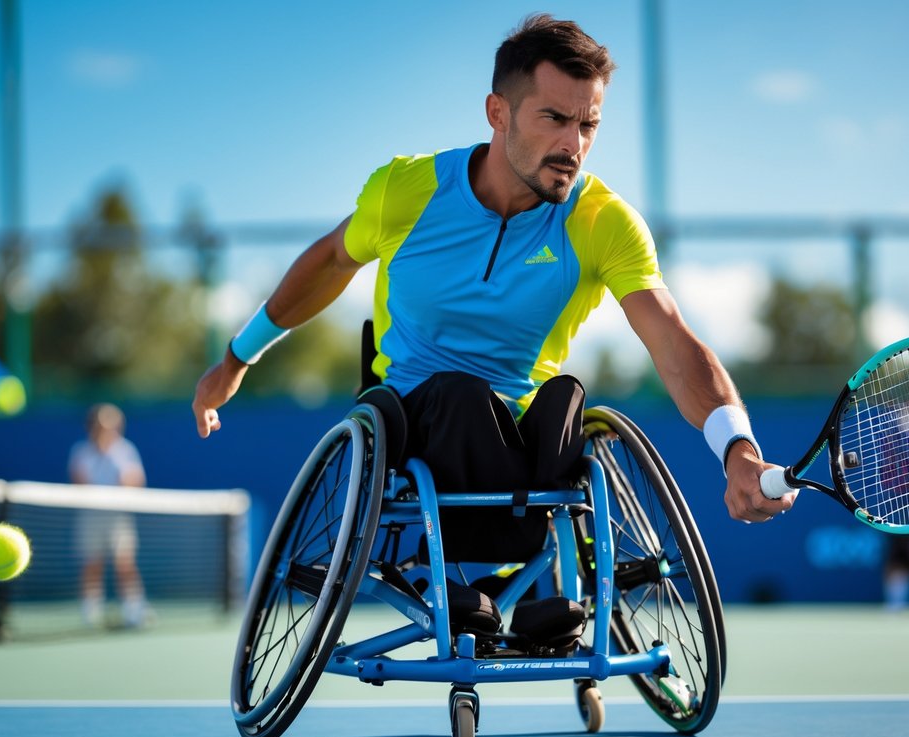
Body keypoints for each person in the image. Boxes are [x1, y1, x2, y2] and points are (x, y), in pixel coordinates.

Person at [191, 15, 795, 559]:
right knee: (461, 396)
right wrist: (237, 358)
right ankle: (475, 575)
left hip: (527, 439)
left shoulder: (602, 221)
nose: (573, 145)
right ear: (498, 113)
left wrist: (737, 448)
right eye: (554, 118)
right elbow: (328, 262)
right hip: (414, 416)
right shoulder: (407, 191)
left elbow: (672, 341)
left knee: (566, 398)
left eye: (588, 124)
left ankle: (539, 579)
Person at [70, 403, 151, 628]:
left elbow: (137, 480)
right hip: (91, 517)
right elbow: (79, 482)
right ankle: (91, 612)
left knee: (125, 563)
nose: (106, 430)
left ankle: (134, 610)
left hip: (118, 518)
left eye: (111, 425)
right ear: (92, 427)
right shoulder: (81, 452)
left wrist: (126, 482)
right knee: (92, 564)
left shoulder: (126, 450)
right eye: (100, 425)